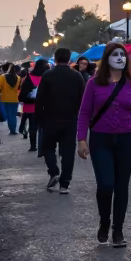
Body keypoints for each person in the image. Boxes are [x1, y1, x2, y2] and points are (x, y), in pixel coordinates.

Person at [78, 42, 131, 248]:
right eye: (115, 54)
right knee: (106, 184)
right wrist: (81, 139)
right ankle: (104, 222)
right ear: (106, 59)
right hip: (101, 139)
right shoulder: (93, 84)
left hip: (127, 139)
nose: (119, 58)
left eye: (122, 55)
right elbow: (84, 113)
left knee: (121, 185)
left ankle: (118, 229)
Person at [36, 47, 85, 194]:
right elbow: (82, 99)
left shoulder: (48, 75)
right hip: (70, 119)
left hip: (50, 118)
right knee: (68, 151)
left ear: (55, 58)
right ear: (69, 59)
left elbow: (40, 99)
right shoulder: (77, 76)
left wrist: (39, 118)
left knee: (48, 147)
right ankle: (65, 183)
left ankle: (53, 171)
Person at [19, 59, 48, 154]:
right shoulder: (46, 76)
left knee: (32, 127)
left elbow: (22, 93)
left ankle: (33, 146)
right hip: (43, 107)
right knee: (43, 128)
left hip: (30, 107)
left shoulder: (29, 77)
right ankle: (44, 147)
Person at [0, 64, 21, 134]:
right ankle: (13, 130)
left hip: (4, 99)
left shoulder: (2, 77)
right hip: (15, 99)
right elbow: (19, 88)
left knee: (8, 116)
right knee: (13, 115)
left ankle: (11, 129)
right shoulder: (18, 78)